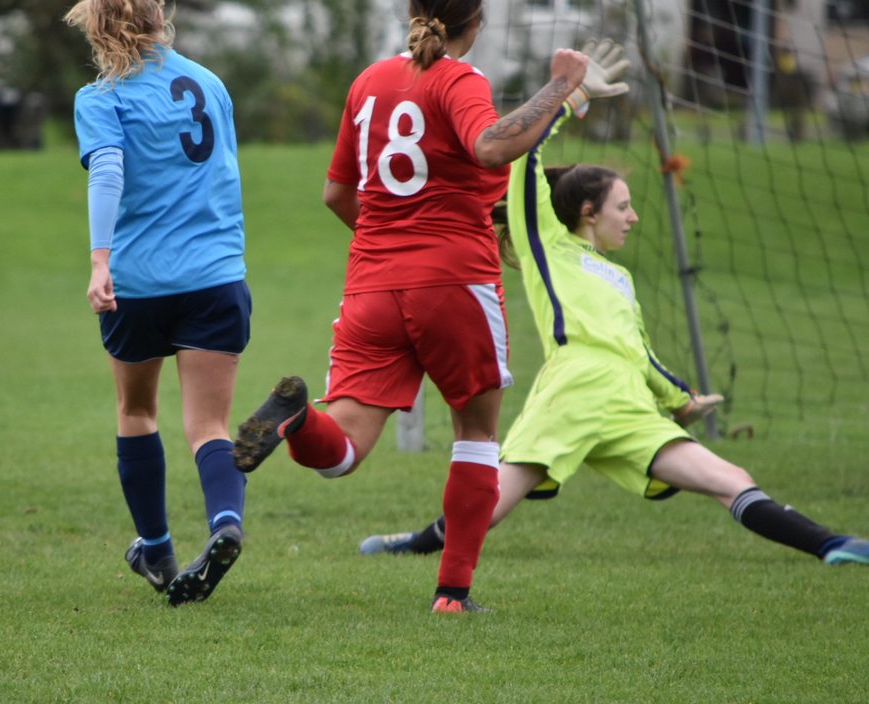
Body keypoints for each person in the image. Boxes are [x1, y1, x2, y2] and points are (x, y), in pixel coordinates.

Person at [358, 46, 869, 570]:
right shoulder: (550, 248)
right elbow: (523, 159)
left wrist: (681, 399)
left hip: (627, 404)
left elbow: (637, 352)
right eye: (622, 207)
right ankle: (412, 545)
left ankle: (832, 545)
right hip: (573, 394)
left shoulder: (619, 277)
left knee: (732, 481)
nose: (634, 217)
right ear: (587, 213)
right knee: (485, 504)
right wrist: (570, 95)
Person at [232, 0, 599, 615]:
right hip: (455, 280)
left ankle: (295, 418)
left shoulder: (369, 81)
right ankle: (453, 596)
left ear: (412, 9)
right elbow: (489, 148)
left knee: (338, 452)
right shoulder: (459, 78)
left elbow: (337, 192)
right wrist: (560, 87)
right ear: (476, 22)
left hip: (373, 283)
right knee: (478, 434)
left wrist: (391, 242)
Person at [66, 0, 251, 607]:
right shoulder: (210, 83)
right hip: (216, 275)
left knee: (138, 411)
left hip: (141, 281)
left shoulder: (102, 97)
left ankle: (158, 549)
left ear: (96, 25)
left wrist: (99, 261)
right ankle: (226, 521)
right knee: (210, 425)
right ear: (157, 15)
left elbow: (108, 170)